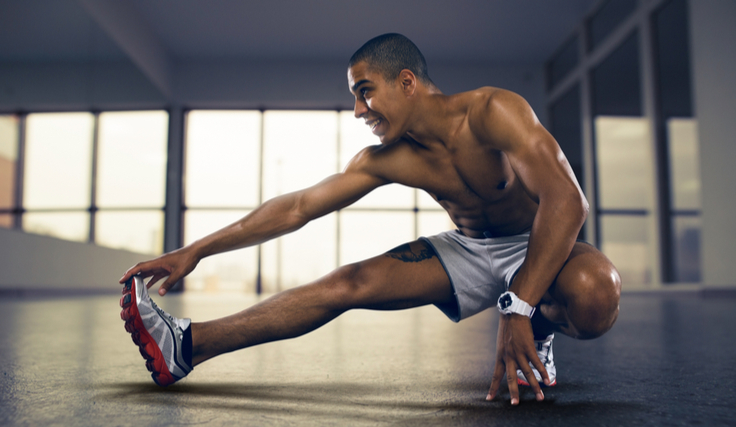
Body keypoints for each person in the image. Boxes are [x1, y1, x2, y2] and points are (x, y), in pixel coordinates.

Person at [119, 33, 621, 406]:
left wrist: (519, 307)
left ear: (406, 82)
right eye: (355, 97)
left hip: (534, 243)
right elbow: (296, 208)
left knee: (596, 294)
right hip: (470, 249)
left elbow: (568, 201)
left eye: (365, 91)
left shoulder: (493, 111)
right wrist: (195, 250)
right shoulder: (385, 158)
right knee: (348, 282)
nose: (359, 109)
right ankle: (186, 345)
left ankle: (543, 331)